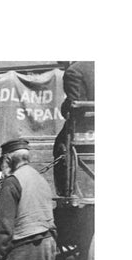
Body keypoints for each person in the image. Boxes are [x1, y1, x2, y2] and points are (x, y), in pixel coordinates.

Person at [53, 61, 94, 196]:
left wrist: (65, 107)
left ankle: (66, 192)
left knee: (60, 145)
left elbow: (75, 105)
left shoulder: (74, 71)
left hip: (87, 127)